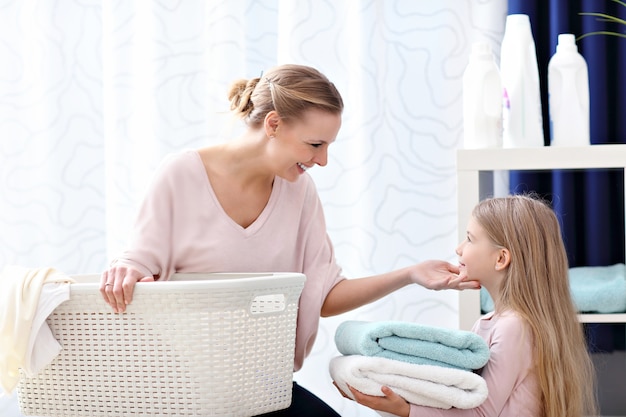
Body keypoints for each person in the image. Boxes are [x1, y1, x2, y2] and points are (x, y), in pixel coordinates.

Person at [100, 64, 478, 417]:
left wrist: (410, 274)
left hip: (262, 385)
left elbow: (324, 296)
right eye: (315, 145)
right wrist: (128, 269)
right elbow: (139, 261)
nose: (323, 160)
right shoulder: (181, 173)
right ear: (273, 124)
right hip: (183, 390)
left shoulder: (299, 192)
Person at [338, 194, 598, 417]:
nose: (459, 249)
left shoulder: (513, 327)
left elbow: (480, 412)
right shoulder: (496, 321)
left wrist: (407, 410)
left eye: (470, 239)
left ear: (501, 258)